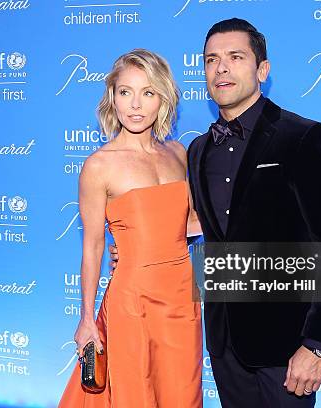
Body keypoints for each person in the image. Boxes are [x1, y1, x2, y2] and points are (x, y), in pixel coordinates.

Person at [110, 19, 321, 407]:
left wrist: (318, 345)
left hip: (287, 347)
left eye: (235, 57)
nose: (221, 68)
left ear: (262, 70)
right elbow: (200, 226)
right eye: (211, 60)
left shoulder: (303, 137)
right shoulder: (197, 151)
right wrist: (138, 246)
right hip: (224, 343)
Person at [58, 49, 203, 408]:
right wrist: (86, 320)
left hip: (184, 296)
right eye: (126, 92)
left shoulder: (178, 154)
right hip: (132, 300)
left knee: (183, 394)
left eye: (148, 93)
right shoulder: (99, 165)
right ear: (112, 96)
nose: (135, 105)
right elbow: (92, 246)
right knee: (135, 394)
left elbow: (190, 222)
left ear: (163, 99)